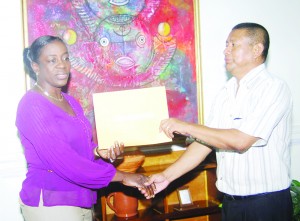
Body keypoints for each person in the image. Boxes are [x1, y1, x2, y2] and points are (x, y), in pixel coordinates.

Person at [141, 22, 293, 221]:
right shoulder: (226, 92)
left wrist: (185, 126)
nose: (225, 50)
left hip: (265, 205)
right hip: (231, 205)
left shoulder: (273, 88)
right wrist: (166, 177)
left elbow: (241, 141)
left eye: (233, 45)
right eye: (226, 44)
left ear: (257, 49)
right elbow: (204, 144)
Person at [16, 35, 154, 221]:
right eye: (52, 60)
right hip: (52, 200)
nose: (62, 65)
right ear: (35, 67)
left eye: (65, 58)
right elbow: (65, 161)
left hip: (81, 197)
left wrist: (98, 152)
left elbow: (80, 148)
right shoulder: (32, 105)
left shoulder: (71, 102)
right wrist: (123, 176)